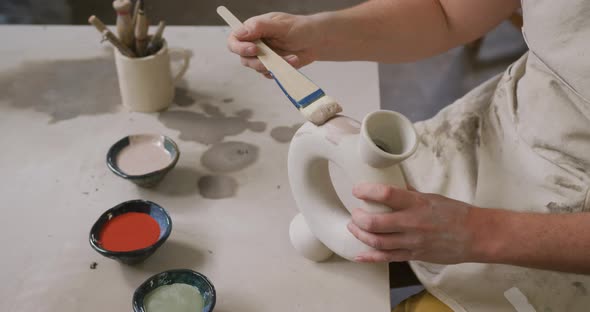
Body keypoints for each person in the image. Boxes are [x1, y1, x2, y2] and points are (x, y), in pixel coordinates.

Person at [226, 0, 590, 311]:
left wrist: (477, 232)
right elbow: (445, 13)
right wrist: (319, 33)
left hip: (560, 247)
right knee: (308, 263)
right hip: (497, 131)